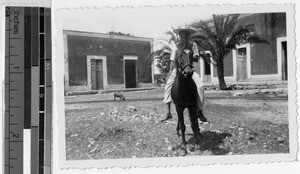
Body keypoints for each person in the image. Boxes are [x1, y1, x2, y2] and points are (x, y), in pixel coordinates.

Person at [161, 28, 207, 123]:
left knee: (200, 85)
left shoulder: (193, 45)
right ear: (179, 35)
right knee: (168, 86)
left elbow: (196, 59)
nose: (184, 36)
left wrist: (191, 66)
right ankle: (168, 112)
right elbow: (173, 61)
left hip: (190, 68)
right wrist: (170, 73)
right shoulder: (176, 46)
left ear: (188, 35)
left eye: (186, 34)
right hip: (177, 69)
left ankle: (200, 111)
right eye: (182, 34)